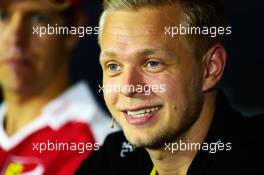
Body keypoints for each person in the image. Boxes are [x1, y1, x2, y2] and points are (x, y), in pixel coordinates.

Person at [76, 0, 264, 174]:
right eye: (113, 66)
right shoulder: (111, 161)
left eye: (152, 63)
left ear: (210, 68)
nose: (127, 88)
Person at [0, 0, 114, 174]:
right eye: (3, 16)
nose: (15, 38)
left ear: (73, 28)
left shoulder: (100, 146)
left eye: (38, 18)